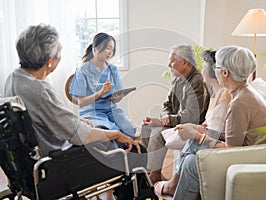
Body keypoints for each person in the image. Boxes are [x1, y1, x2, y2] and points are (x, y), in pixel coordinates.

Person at [4, 24, 145, 169]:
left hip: (30, 162)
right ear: (49, 61)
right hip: (59, 161)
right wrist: (115, 134)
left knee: (122, 133)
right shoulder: (40, 90)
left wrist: (77, 120)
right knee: (128, 149)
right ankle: (138, 187)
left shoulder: (14, 78)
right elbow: (82, 135)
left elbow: (53, 117)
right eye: (59, 52)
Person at [170, 46, 266, 200]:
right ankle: (174, 187)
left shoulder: (239, 103)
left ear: (225, 73)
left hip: (249, 159)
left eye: (217, 67)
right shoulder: (244, 93)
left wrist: (196, 135)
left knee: (190, 161)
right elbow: (232, 136)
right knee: (189, 158)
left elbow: (231, 149)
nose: (215, 71)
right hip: (251, 154)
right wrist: (197, 130)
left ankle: (172, 186)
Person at [154, 50, 232, 199]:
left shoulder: (225, 94)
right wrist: (193, 127)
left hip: (219, 145)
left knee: (192, 140)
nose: (201, 69)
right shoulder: (214, 93)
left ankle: (172, 183)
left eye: (204, 65)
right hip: (211, 138)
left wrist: (195, 131)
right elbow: (208, 123)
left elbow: (219, 132)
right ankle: (168, 181)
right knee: (189, 153)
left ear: (213, 70)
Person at [141, 44, 210, 184]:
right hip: (177, 122)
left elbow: (192, 115)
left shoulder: (197, 81)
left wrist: (165, 121)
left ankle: (153, 176)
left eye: (172, 61)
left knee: (158, 132)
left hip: (192, 126)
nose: (168, 64)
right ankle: (152, 171)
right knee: (146, 127)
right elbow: (167, 104)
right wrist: (165, 117)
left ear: (184, 62)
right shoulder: (178, 79)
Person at [69, 32, 136, 139]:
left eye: (112, 49)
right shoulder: (82, 71)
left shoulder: (112, 69)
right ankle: (113, 154)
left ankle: (126, 153)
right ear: (95, 48)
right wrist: (100, 93)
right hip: (91, 111)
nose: (110, 52)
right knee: (109, 132)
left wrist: (117, 97)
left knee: (128, 129)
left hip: (111, 109)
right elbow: (81, 102)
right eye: (107, 48)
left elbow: (116, 98)